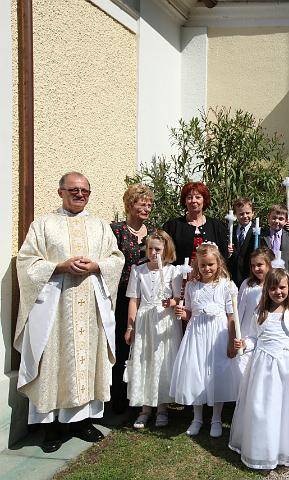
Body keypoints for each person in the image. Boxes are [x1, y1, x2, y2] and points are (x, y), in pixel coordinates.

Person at [15, 172, 124, 453]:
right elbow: (27, 262)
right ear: (60, 191)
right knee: (54, 364)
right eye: (74, 190)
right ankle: (51, 428)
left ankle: (82, 422)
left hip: (90, 309)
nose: (80, 195)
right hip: (55, 310)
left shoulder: (100, 226)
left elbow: (116, 259)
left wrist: (96, 266)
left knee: (88, 364)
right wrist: (59, 266)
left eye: (85, 191)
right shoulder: (44, 225)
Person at [228, 269, 289, 469]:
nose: (278, 292)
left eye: (282, 287)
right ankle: (261, 449)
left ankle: (283, 449)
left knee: (285, 408)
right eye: (272, 288)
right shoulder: (260, 312)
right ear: (266, 290)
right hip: (263, 367)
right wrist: (245, 344)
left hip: (287, 367)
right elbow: (255, 338)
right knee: (263, 407)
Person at [170, 243, 241, 438]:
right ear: (197, 266)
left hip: (218, 335)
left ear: (218, 263)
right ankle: (197, 417)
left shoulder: (226, 285)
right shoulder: (192, 286)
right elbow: (191, 312)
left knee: (217, 373)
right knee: (196, 371)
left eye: (210, 264)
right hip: (197, 334)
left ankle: (216, 418)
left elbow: (231, 316)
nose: (207, 269)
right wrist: (183, 313)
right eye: (203, 265)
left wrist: (231, 340)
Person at [124, 230, 182, 429]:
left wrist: (171, 302)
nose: (153, 252)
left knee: (161, 361)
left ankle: (162, 407)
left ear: (166, 250)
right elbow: (134, 299)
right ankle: (145, 408)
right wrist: (130, 326)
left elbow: (177, 298)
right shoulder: (138, 271)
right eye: (150, 248)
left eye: (157, 249)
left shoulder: (172, 271)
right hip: (145, 320)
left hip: (164, 321)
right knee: (145, 359)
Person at [111, 183, 155, 413]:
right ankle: (117, 399)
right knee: (121, 344)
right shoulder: (116, 230)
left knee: (144, 347)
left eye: (149, 204)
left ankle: (139, 397)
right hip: (120, 298)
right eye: (142, 203)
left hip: (146, 299)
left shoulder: (154, 232)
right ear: (130, 204)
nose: (147, 207)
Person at [162, 181, 229, 264]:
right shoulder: (172, 226)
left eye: (198, 197)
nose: (193, 201)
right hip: (180, 275)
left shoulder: (217, 226)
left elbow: (224, 256)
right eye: (189, 197)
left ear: (204, 200)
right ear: (185, 201)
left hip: (209, 274)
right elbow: (165, 254)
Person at [234, 247, 273, 381]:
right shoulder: (247, 284)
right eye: (253, 266)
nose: (256, 269)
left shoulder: (274, 286)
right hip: (246, 332)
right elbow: (239, 308)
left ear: (270, 264)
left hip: (264, 335)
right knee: (243, 374)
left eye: (260, 265)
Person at [227, 198, 257, 287]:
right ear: (235, 215)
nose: (245, 216)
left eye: (247, 213)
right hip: (233, 276)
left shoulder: (258, 232)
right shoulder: (230, 231)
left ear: (253, 213)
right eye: (241, 214)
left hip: (250, 276)